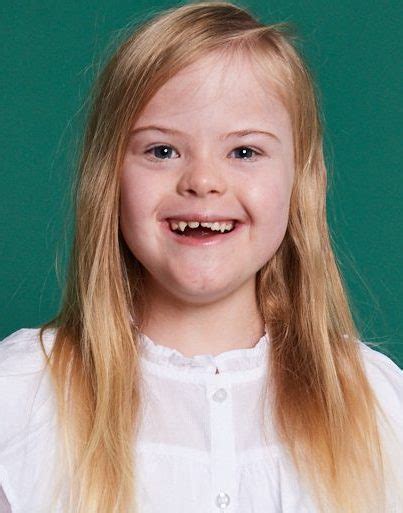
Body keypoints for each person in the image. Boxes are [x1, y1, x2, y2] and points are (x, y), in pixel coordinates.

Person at [1, 2, 402, 512]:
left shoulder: (379, 404)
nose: (204, 181)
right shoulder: (20, 398)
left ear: (303, 180)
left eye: (244, 152)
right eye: (162, 150)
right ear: (108, 177)